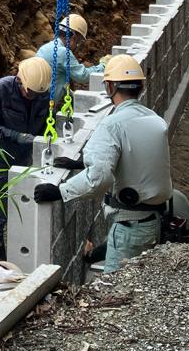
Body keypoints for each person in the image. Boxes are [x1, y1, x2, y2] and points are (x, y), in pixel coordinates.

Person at [33, 54, 172, 273]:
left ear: (110, 87)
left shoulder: (112, 124)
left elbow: (99, 178)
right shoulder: (156, 121)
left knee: (116, 294)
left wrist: (60, 191)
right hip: (154, 221)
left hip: (130, 226)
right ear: (142, 86)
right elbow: (135, 158)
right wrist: (82, 163)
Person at [0, 56, 52, 260]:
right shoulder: (1, 90)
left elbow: (49, 120)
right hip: (0, 154)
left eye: (38, 94)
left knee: (23, 199)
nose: (34, 97)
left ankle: (21, 245)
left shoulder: (43, 94)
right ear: (20, 81)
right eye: (31, 92)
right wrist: (17, 136)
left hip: (26, 156)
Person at [36, 13, 105, 105]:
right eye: (78, 41)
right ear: (73, 37)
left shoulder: (45, 47)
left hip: (37, 100)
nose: (77, 45)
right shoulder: (62, 52)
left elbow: (57, 78)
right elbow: (83, 76)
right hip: (45, 105)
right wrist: (103, 66)